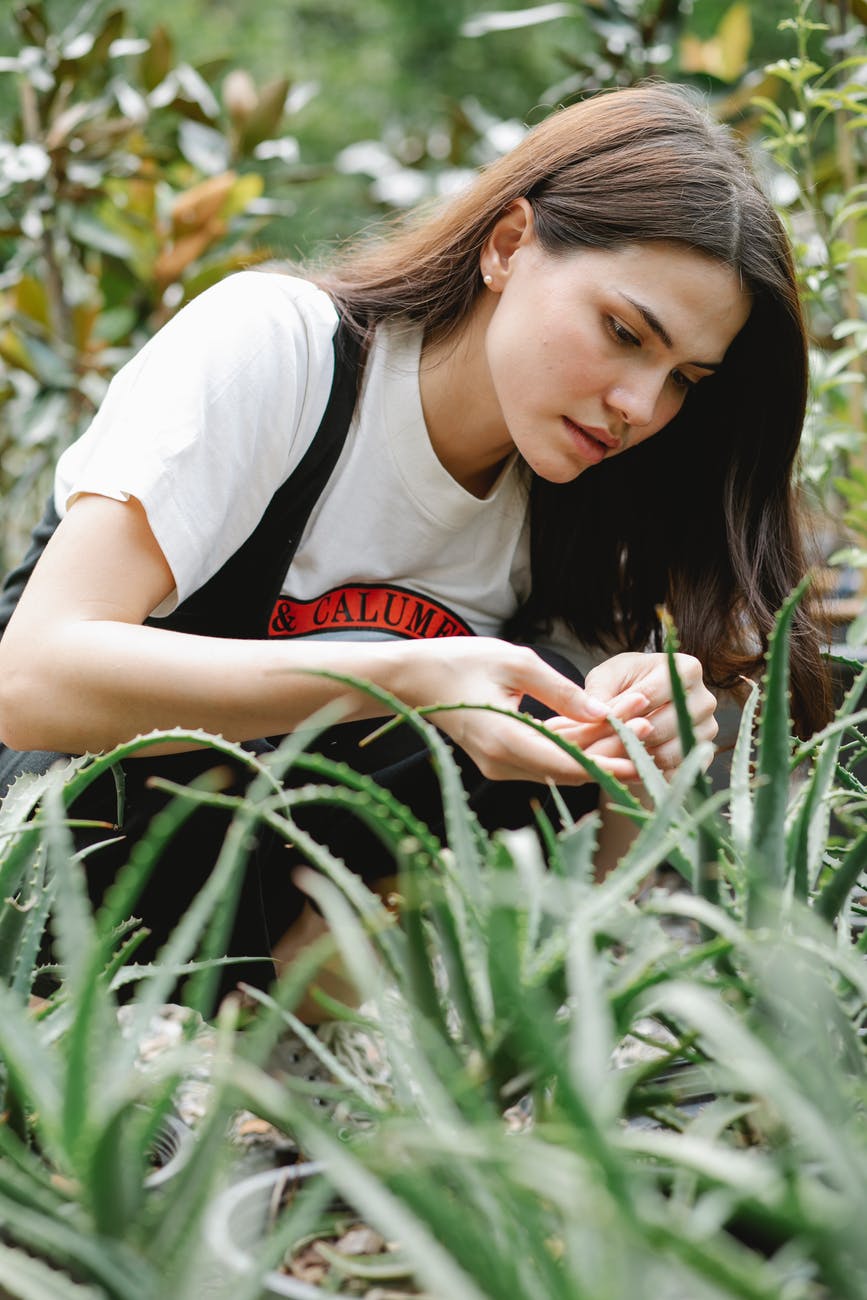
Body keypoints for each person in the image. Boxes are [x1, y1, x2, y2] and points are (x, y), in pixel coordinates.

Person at [0, 83, 828, 998]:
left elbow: (594, 879)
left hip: (239, 969)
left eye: (684, 378)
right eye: (624, 332)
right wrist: (407, 678)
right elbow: (28, 682)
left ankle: (285, 1050)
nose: (639, 406)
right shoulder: (278, 349)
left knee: (537, 699)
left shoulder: (577, 497)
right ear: (509, 245)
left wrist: (640, 739)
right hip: (39, 864)